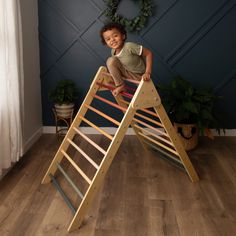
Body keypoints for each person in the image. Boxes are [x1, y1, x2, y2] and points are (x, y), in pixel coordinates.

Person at [100, 22, 153, 96]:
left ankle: (118, 84)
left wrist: (147, 72)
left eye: (115, 36)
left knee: (149, 96)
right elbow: (117, 66)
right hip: (127, 74)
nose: (112, 40)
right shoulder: (113, 52)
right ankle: (120, 85)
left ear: (123, 36)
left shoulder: (129, 46)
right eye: (108, 39)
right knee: (111, 60)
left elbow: (148, 54)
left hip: (140, 76)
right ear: (105, 43)